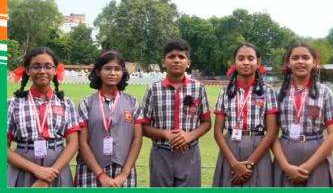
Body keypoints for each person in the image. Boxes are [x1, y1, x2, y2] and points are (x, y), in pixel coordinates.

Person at [141, 38, 211, 187]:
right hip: (161, 153)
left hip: (190, 153)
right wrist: (165, 134)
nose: (176, 60)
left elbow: (206, 123)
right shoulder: (153, 89)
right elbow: (143, 126)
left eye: (181, 57)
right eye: (171, 57)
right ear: (163, 62)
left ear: (188, 62)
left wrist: (188, 136)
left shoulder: (198, 88)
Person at [7, 47, 80, 187]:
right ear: (27, 70)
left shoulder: (66, 103)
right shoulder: (13, 103)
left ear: (55, 70)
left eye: (48, 66)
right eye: (36, 66)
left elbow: (73, 143)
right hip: (23, 169)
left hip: (57, 169)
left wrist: (49, 175)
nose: (42, 71)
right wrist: (36, 170)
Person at [272, 42, 333, 187]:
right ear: (288, 63)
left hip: (317, 157)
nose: (300, 62)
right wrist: (284, 166)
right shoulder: (278, 93)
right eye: (295, 58)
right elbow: (272, 134)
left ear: (315, 62)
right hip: (286, 155)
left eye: (305, 57)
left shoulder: (324, 92)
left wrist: (308, 166)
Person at [212, 42, 279, 187]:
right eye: (241, 58)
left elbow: (272, 131)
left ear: (258, 62)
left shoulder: (268, 91)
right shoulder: (225, 91)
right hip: (230, 150)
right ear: (234, 62)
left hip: (258, 150)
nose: (246, 63)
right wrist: (234, 164)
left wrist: (249, 164)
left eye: (250, 58)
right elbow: (217, 132)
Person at [75, 50, 145, 187]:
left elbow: (137, 139)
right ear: (98, 72)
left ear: (123, 72)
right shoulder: (86, 103)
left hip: (124, 171)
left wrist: (124, 174)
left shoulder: (132, 102)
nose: (113, 73)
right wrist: (100, 175)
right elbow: (82, 143)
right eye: (107, 68)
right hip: (91, 171)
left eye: (117, 69)